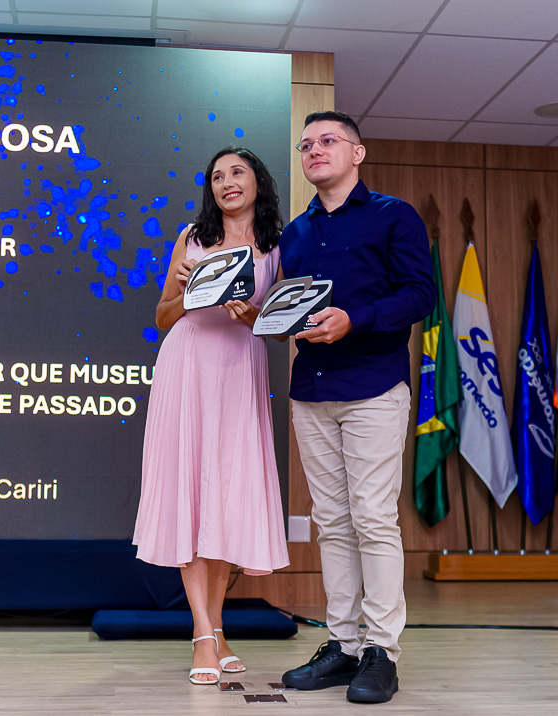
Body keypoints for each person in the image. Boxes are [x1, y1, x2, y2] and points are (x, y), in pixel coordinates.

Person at [278, 111, 435, 704]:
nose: (315, 150)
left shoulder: (395, 215)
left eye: (328, 141)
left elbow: (420, 295)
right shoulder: (294, 233)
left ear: (357, 152)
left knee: (373, 518)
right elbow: (290, 306)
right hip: (312, 390)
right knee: (333, 522)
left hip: (373, 387)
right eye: (306, 145)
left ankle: (382, 652)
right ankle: (342, 645)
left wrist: (356, 319)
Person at [133, 147, 290, 685]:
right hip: (189, 366)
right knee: (193, 495)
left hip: (240, 370)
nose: (227, 182)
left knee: (225, 499)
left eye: (237, 172)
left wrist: (253, 316)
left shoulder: (277, 245)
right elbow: (162, 317)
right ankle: (203, 633)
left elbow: (281, 327)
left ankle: (216, 628)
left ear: (257, 181)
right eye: (217, 176)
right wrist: (189, 293)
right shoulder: (192, 236)